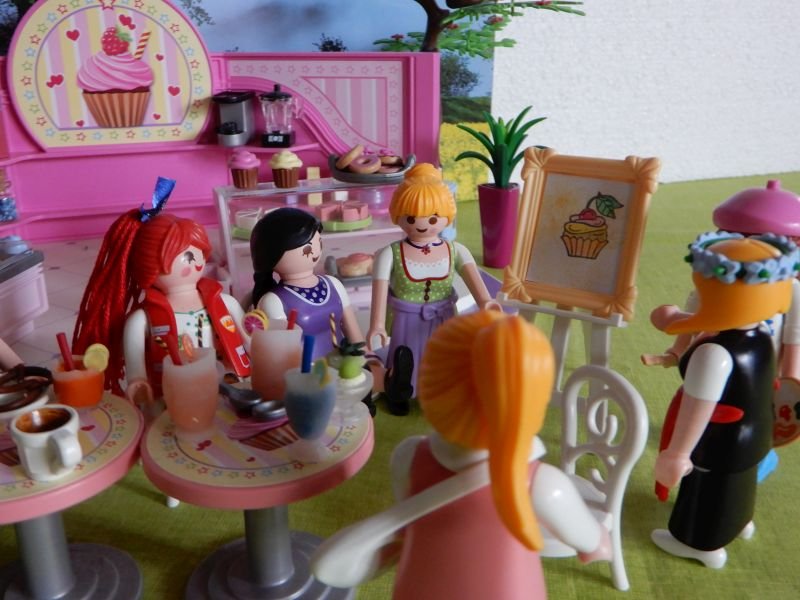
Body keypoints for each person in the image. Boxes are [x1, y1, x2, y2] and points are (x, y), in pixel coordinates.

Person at [311, 311, 610, 599]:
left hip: (419, 586)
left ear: (429, 390)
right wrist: (600, 542)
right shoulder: (544, 484)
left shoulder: (409, 457)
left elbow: (409, 514)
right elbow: (587, 538)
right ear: (531, 404)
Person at [651, 232, 797, 568]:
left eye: (704, 294)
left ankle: (699, 543)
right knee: (741, 484)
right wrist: (675, 321)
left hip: (718, 439)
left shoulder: (713, 354)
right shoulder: (761, 336)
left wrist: (677, 454)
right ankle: (741, 522)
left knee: (707, 489)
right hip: (755, 433)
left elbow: (697, 406)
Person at [72, 178, 250, 408]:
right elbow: (135, 363)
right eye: (188, 256)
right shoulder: (142, 319)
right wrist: (137, 380)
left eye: (199, 253)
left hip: (227, 384)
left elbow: (248, 340)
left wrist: (260, 347)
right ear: (151, 267)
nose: (197, 262)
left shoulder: (225, 302)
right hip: (172, 392)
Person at [366, 163, 499, 414]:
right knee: (404, 356)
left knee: (443, 357)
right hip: (405, 318)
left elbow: (476, 282)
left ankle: (442, 393)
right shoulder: (390, 253)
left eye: (433, 218)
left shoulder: (456, 250)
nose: (422, 224)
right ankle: (399, 391)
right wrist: (377, 324)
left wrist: (486, 301)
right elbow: (379, 292)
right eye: (412, 218)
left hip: (444, 317)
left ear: (447, 215)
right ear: (398, 215)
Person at [249, 207, 363, 360]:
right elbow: (283, 355)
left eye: (319, 243)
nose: (316, 251)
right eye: (307, 249)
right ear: (272, 255)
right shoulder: (273, 301)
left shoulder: (334, 284)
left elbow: (354, 333)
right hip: (305, 370)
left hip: (344, 365)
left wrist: (365, 358)